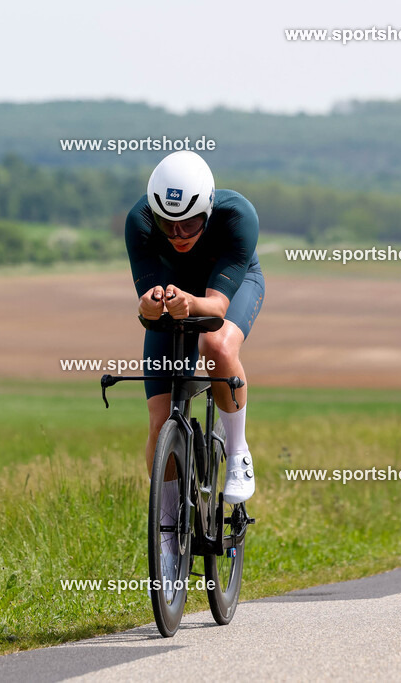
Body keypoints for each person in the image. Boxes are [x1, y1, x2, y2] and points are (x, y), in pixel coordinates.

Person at [125, 150, 264, 505]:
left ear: (209, 208)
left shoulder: (238, 216)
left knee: (215, 346)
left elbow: (216, 307)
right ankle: (168, 528)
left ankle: (238, 453)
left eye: (189, 223)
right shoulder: (139, 221)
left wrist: (189, 303)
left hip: (230, 286)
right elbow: (149, 303)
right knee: (158, 425)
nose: (178, 234)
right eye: (167, 224)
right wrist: (148, 304)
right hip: (176, 290)